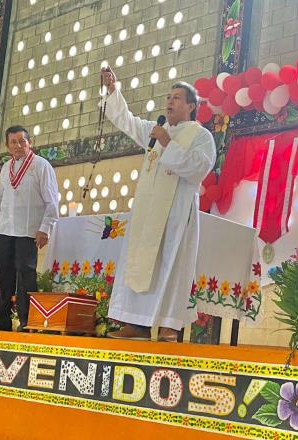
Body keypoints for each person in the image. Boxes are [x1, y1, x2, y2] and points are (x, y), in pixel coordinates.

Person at [99, 66, 216, 341]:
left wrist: (168, 143)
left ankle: (168, 325)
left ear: (190, 105)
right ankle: (136, 324)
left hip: (175, 216)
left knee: (170, 266)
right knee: (141, 262)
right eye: (168, 97)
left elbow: (199, 169)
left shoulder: (201, 136)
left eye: (176, 97)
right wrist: (114, 91)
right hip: (147, 214)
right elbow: (126, 120)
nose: (169, 102)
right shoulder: (156, 131)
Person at [0, 125, 59, 331]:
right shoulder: (6, 168)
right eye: (14, 142)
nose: (18, 145)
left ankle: (27, 320)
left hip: (28, 231)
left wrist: (45, 228)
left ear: (30, 143)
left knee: (26, 275)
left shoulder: (41, 165)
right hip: (4, 229)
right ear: (7, 145)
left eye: (22, 141)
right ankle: (2, 318)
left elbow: (52, 201)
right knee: (3, 274)